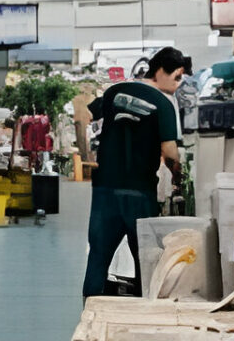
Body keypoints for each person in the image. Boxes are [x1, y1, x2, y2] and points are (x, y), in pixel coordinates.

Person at [81, 47, 189, 298]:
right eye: (177, 76)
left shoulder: (114, 91)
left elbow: (82, 114)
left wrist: (87, 156)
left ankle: (90, 312)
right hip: (140, 193)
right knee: (147, 260)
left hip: (104, 189)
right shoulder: (164, 104)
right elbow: (170, 152)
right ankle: (144, 312)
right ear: (161, 71)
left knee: (98, 255)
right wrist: (178, 178)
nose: (179, 83)